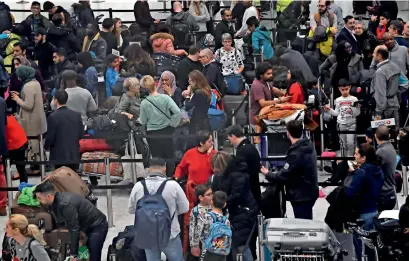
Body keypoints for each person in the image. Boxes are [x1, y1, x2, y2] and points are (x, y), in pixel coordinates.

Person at [128, 157, 189, 261]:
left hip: (147, 233)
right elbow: (185, 208)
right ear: (164, 168)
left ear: (149, 170)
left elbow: (131, 210)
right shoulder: (173, 185)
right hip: (170, 233)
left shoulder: (138, 186)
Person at [34, 181, 108, 261]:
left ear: (48, 196)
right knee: (85, 254)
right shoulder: (54, 201)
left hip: (97, 226)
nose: (38, 201)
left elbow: (74, 229)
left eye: (39, 198)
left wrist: (73, 254)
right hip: (85, 225)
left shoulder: (65, 204)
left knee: (93, 255)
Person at [261, 120, 319, 219]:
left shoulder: (296, 153)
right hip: (309, 191)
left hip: (301, 196)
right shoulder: (308, 145)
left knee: (303, 223)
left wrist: (267, 173)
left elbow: (285, 175)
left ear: (288, 132)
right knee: (307, 220)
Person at [211, 151, 258, 261]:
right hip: (238, 212)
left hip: (243, 213)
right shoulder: (230, 174)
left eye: (215, 166)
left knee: (241, 245)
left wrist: (221, 203)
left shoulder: (237, 176)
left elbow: (236, 195)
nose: (214, 170)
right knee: (236, 246)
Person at [174, 130, 216, 253]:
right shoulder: (190, 153)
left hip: (208, 194)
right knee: (190, 223)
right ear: (201, 143)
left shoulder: (213, 154)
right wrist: (176, 178)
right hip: (192, 193)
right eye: (209, 141)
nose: (212, 143)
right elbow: (181, 167)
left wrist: (209, 156)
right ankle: (190, 250)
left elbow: (216, 169)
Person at [345, 144, 384, 261]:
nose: (354, 156)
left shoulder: (361, 173)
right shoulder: (379, 170)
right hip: (374, 211)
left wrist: (351, 175)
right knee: (371, 246)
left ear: (364, 157)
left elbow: (349, 192)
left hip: (361, 213)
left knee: (360, 247)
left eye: (356, 153)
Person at [139, 75, 181, 176]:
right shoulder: (166, 98)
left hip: (152, 133)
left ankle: (159, 177)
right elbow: (177, 112)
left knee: (156, 157)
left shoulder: (144, 103)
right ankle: (171, 177)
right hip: (167, 130)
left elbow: (143, 121)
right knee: (170, 156)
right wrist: (173, 124)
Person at [10, 66, 47, 167]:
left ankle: (35, 166)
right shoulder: (35, 83)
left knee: (33, 145)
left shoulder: (28, 86)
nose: (18, 78)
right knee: (38, 144)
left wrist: (17, 99)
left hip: (31, 120)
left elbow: (28, 105)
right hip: (37, 119)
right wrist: (20, 96)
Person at [45, 89, 84, 171]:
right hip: (74, 154)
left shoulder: (53, 117)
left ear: (56, 100)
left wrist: (45, 147)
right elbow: (81, 134)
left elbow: (50, 137)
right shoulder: (76, 115)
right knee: (72, 177)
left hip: (58, 155)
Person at [324, 79, 361, 157]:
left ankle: (350, 161)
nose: (344, 91)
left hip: (352, 124)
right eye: (342, 90)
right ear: (339, 89)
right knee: (343, 144)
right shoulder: (338, 100)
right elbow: (337, 113)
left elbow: (357, 113)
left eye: (346, 89)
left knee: (351, 144)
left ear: (350, 87)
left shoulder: (354, 99)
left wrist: (356, 108)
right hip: (341, 124)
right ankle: (344, 161)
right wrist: (329, 110)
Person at [249, 62, 290, 129]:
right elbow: (263, 103)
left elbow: (273, 89)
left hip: (265, 118)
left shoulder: (266, 81)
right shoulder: (257, 85)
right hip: (258, 121)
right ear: (261, 75)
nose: (271, 75)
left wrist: (285, 93)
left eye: (271, 73)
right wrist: (280, 100)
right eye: (268, 74)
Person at [370, 46, 401, 129]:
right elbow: (404, 84)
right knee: (394, 134)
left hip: (384, 109)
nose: (372, 55)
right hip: (395, 104)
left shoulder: (380, 72)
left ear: (379, 56)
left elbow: (380, 94)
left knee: (382, 136)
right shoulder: (395, 67)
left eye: (374, 53)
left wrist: (378, 112)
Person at [197, 190, 230, 261]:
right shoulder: (226, 220)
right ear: (224, 204)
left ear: (211, 201)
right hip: (222, 253)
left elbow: (200, 234)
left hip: (207, 252)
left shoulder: (206, 217)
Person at [375, 125, 397, 211]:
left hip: (383, 194)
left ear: (375, 136)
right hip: (390, 190)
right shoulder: (390, 147)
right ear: (389, 136)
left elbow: (372, 170)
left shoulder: (381, 151)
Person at [189, 184, 212, 259]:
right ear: (201, 198)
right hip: (203, 245)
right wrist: (194, 245)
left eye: (212, 194)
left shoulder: (215, 207)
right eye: (209, 195)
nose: (212, 196)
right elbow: (192, 229)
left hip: (216, 244)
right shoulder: (195, 211)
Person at [4, 113, 28, 183]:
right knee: (21, 168)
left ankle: (6, 190)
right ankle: (24, 189)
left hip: (15, 144)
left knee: (6, 167)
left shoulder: (4, 119)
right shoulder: (8, 116)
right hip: (21, 141)